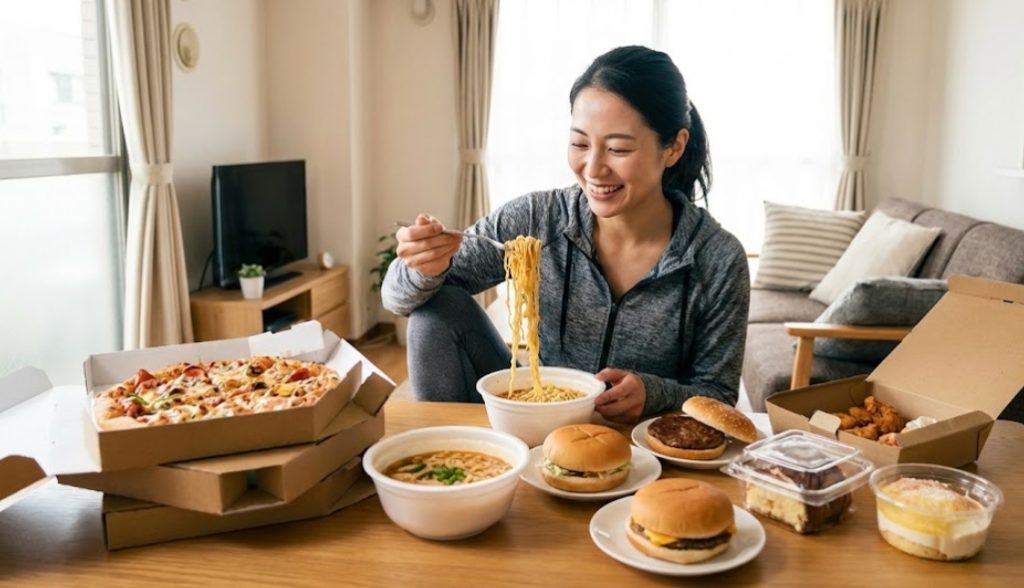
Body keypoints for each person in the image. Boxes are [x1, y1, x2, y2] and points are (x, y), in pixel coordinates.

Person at [382, 45, 749, 425]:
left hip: (642, 441)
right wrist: (422, 266)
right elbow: (398, 298)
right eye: (579, 143)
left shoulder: (717, 259)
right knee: (435, 308)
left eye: (618, 148)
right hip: (538, 416)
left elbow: (719, 396)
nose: (593, 168)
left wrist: (654, 394)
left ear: (674, 147)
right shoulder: (538, 220)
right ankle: (456, 459)